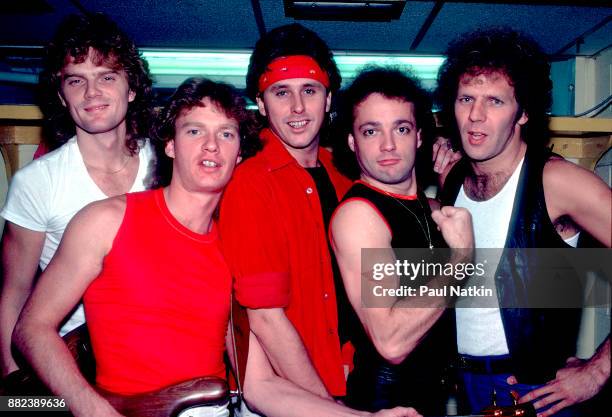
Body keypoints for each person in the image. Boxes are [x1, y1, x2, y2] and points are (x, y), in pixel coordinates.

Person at [12, 77, 260, 417]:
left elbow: (258, 378)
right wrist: (94, 411)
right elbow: (31, 327)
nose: (211, 145)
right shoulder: (106, 220)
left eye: (226, 134)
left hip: (219, 405)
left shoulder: (234, 242)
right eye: (194, 131)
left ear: (240, 155)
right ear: (170, 145)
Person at [219, 24, 419, 417]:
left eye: (309, 91)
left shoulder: (344, 177)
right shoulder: (249, 184)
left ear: (328, 99)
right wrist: (325, 406)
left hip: (351, 388)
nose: (297, 108)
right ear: (261, 103)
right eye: (281, 92)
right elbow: (266, 319)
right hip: (295, 401)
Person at [435, 28, 611, 417]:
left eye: (495, 101)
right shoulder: (452, 182)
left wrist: (598, 370)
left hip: (537, 393)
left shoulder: (558, 181)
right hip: (467, 387)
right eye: (466, 99)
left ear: (524, 112)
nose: (476, 116)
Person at [0, 13, 155, 378]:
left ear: (130, 88)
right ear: (61, 94)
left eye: (106, 77)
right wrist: (14, 391)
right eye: (76, 81)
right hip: (74, 363)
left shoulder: (167, 166)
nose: (92, 93)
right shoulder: (37, 182)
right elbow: (14, 292)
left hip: (160, 353)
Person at [330, 66, 474, 415]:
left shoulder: (431, 208)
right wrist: (461, 260)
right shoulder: (360, 215)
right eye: (370, 131)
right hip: (386, 401)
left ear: (420, 137)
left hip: (433, 396)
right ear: (352, 141)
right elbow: (390, 340)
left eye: (401, 128)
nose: (388, 145)